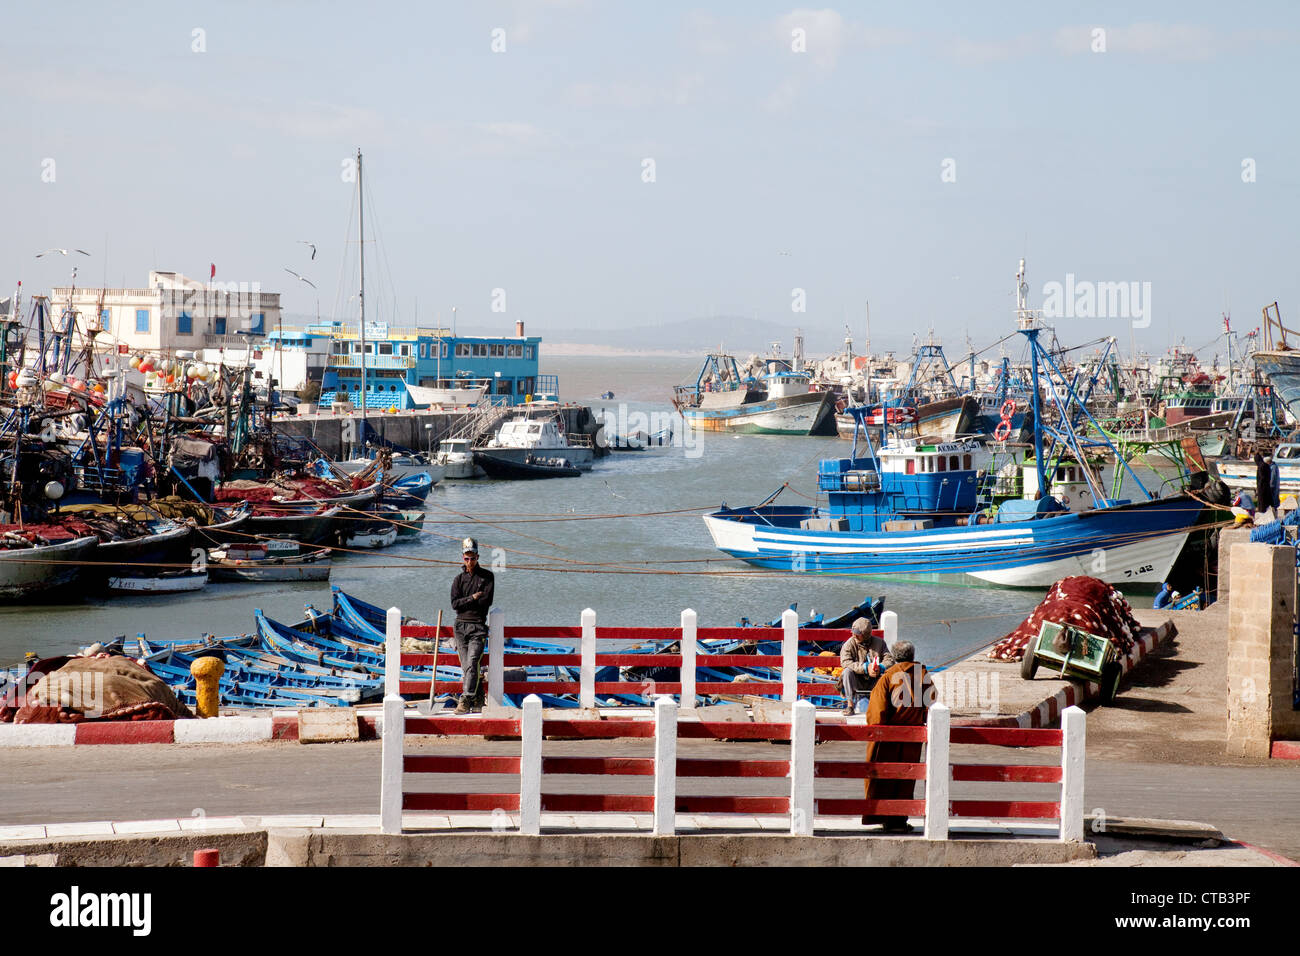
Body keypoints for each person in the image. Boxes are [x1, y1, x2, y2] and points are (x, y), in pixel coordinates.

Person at [862, 640, 933, 834]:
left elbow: (876, 713)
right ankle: (899, 821)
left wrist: (876, 733)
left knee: (884, 779)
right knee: (905, 781)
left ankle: (885, 818)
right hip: (913, 738)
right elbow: (932, 706)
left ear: (894, 657)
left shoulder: (889, 676)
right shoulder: (922, 675)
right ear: (912, 655)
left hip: (889, 737)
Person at [450, 537, 494, 715]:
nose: (470, 561)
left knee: (473, 661)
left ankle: (465, 699)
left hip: (477, 627)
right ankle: (478, 696)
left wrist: (468, 601)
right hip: (460, 627)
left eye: (473, 558)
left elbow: (486, 602)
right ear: (463, 558)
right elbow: (454, 604)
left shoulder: (487, 577)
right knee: (467, 666)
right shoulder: (458, 580)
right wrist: (472, 598)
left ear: (478, 557)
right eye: (466, 558)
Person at [839, 617, 895, 715]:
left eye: (858, 634)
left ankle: (885, 707)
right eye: (853, 632)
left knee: (888, 675)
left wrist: (880, 667)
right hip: (857, 680)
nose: (854, 635)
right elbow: (845, 662)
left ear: (866, 635)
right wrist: (865, 668)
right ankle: (850, 706)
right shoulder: (849, 644)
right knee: (847, 672)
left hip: (875, 680)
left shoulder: (880, 643)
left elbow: (889, 660)